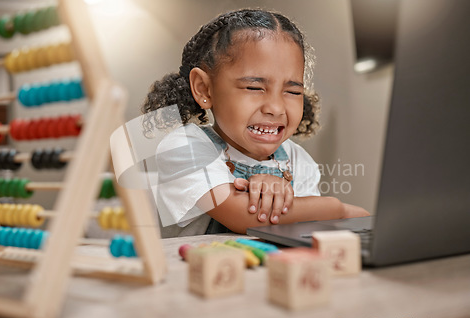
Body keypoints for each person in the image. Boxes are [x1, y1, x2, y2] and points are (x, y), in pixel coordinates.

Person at [140, 9, 370, 237]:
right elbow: (245, 217)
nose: (276, 108)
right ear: (204, 88)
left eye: (292, 91)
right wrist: (338, 209)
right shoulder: (185, 147)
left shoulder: (297, 160)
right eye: (254, 87)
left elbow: (306, 225)